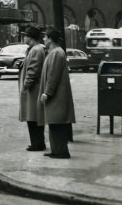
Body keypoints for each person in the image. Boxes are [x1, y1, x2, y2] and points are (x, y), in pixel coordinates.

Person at [38, 27, 76, 159]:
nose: (43, 39)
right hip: (56, 95)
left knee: (57, 122)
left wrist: (47, 92)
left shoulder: (56, 53)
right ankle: (56, 150)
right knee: (54, 122)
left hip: (56, 96)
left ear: (50, 39)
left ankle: (61, 151)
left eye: (45, 37)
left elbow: (53, 75)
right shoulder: (55, 52)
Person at [19, 25, 46, 151]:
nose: (24, 38)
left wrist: (25, 85)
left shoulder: (36, 50)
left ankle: (37, 143)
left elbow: (32, 70)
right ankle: (37, 143)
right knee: (33, 117)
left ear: (30, 37)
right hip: (34, 89)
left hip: (33, 90)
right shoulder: (35, 49)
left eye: (25, 36)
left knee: (33, 117)